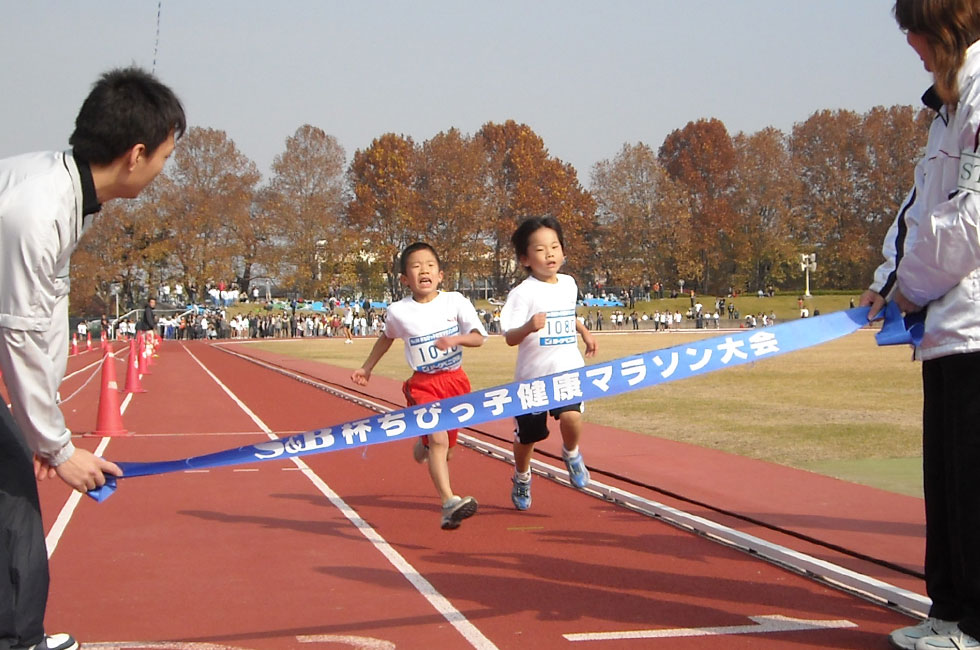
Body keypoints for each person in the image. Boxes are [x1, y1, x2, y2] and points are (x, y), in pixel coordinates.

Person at [0, 66, 185, 650]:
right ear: (136, 154)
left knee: (10, 487)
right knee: (10, 492)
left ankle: (17, 634)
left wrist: (41, 427)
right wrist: (56, 448)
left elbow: (45, 317)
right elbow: (24, 332)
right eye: (165, 156)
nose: (164, 169)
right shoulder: (36, 210)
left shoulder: (57, 193)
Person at [860, 2, 980, 649]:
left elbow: (972, 221)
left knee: (971, 481)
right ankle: (950, 610)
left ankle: (974, 622)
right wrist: (886, 282)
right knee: (948, 479)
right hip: (948, 330)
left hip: (974, 327)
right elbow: (919, 206)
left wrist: (908, 286)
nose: (912, 47)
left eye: (919, 35)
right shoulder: (947, 108)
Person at [351, 242, 487, 530]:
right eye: (415, 266)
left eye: (429, 265)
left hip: (456, 382)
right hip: (423, 385)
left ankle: (422, 445)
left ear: (440, 275)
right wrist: (367, 367)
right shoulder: (399, 311)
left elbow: (478, 337)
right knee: (438, 441)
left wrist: (456, 340)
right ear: (404, 279)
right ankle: (449, 503)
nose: (423, 269)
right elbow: (386, 338)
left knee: (446, 449)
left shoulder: (456, 302)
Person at [500, 216, 597, 511]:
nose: (550, 254)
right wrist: (529, 326)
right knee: (527, 438)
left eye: (555, 246)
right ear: (525, 259)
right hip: (532, 379)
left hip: (567, 370)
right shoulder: (522, 293)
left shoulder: (569, 284)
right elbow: (510, 337)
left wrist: (584, 332)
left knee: (572, 417)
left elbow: (567, 313)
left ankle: (571, 453)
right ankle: (522, 475)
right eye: (541, 249)